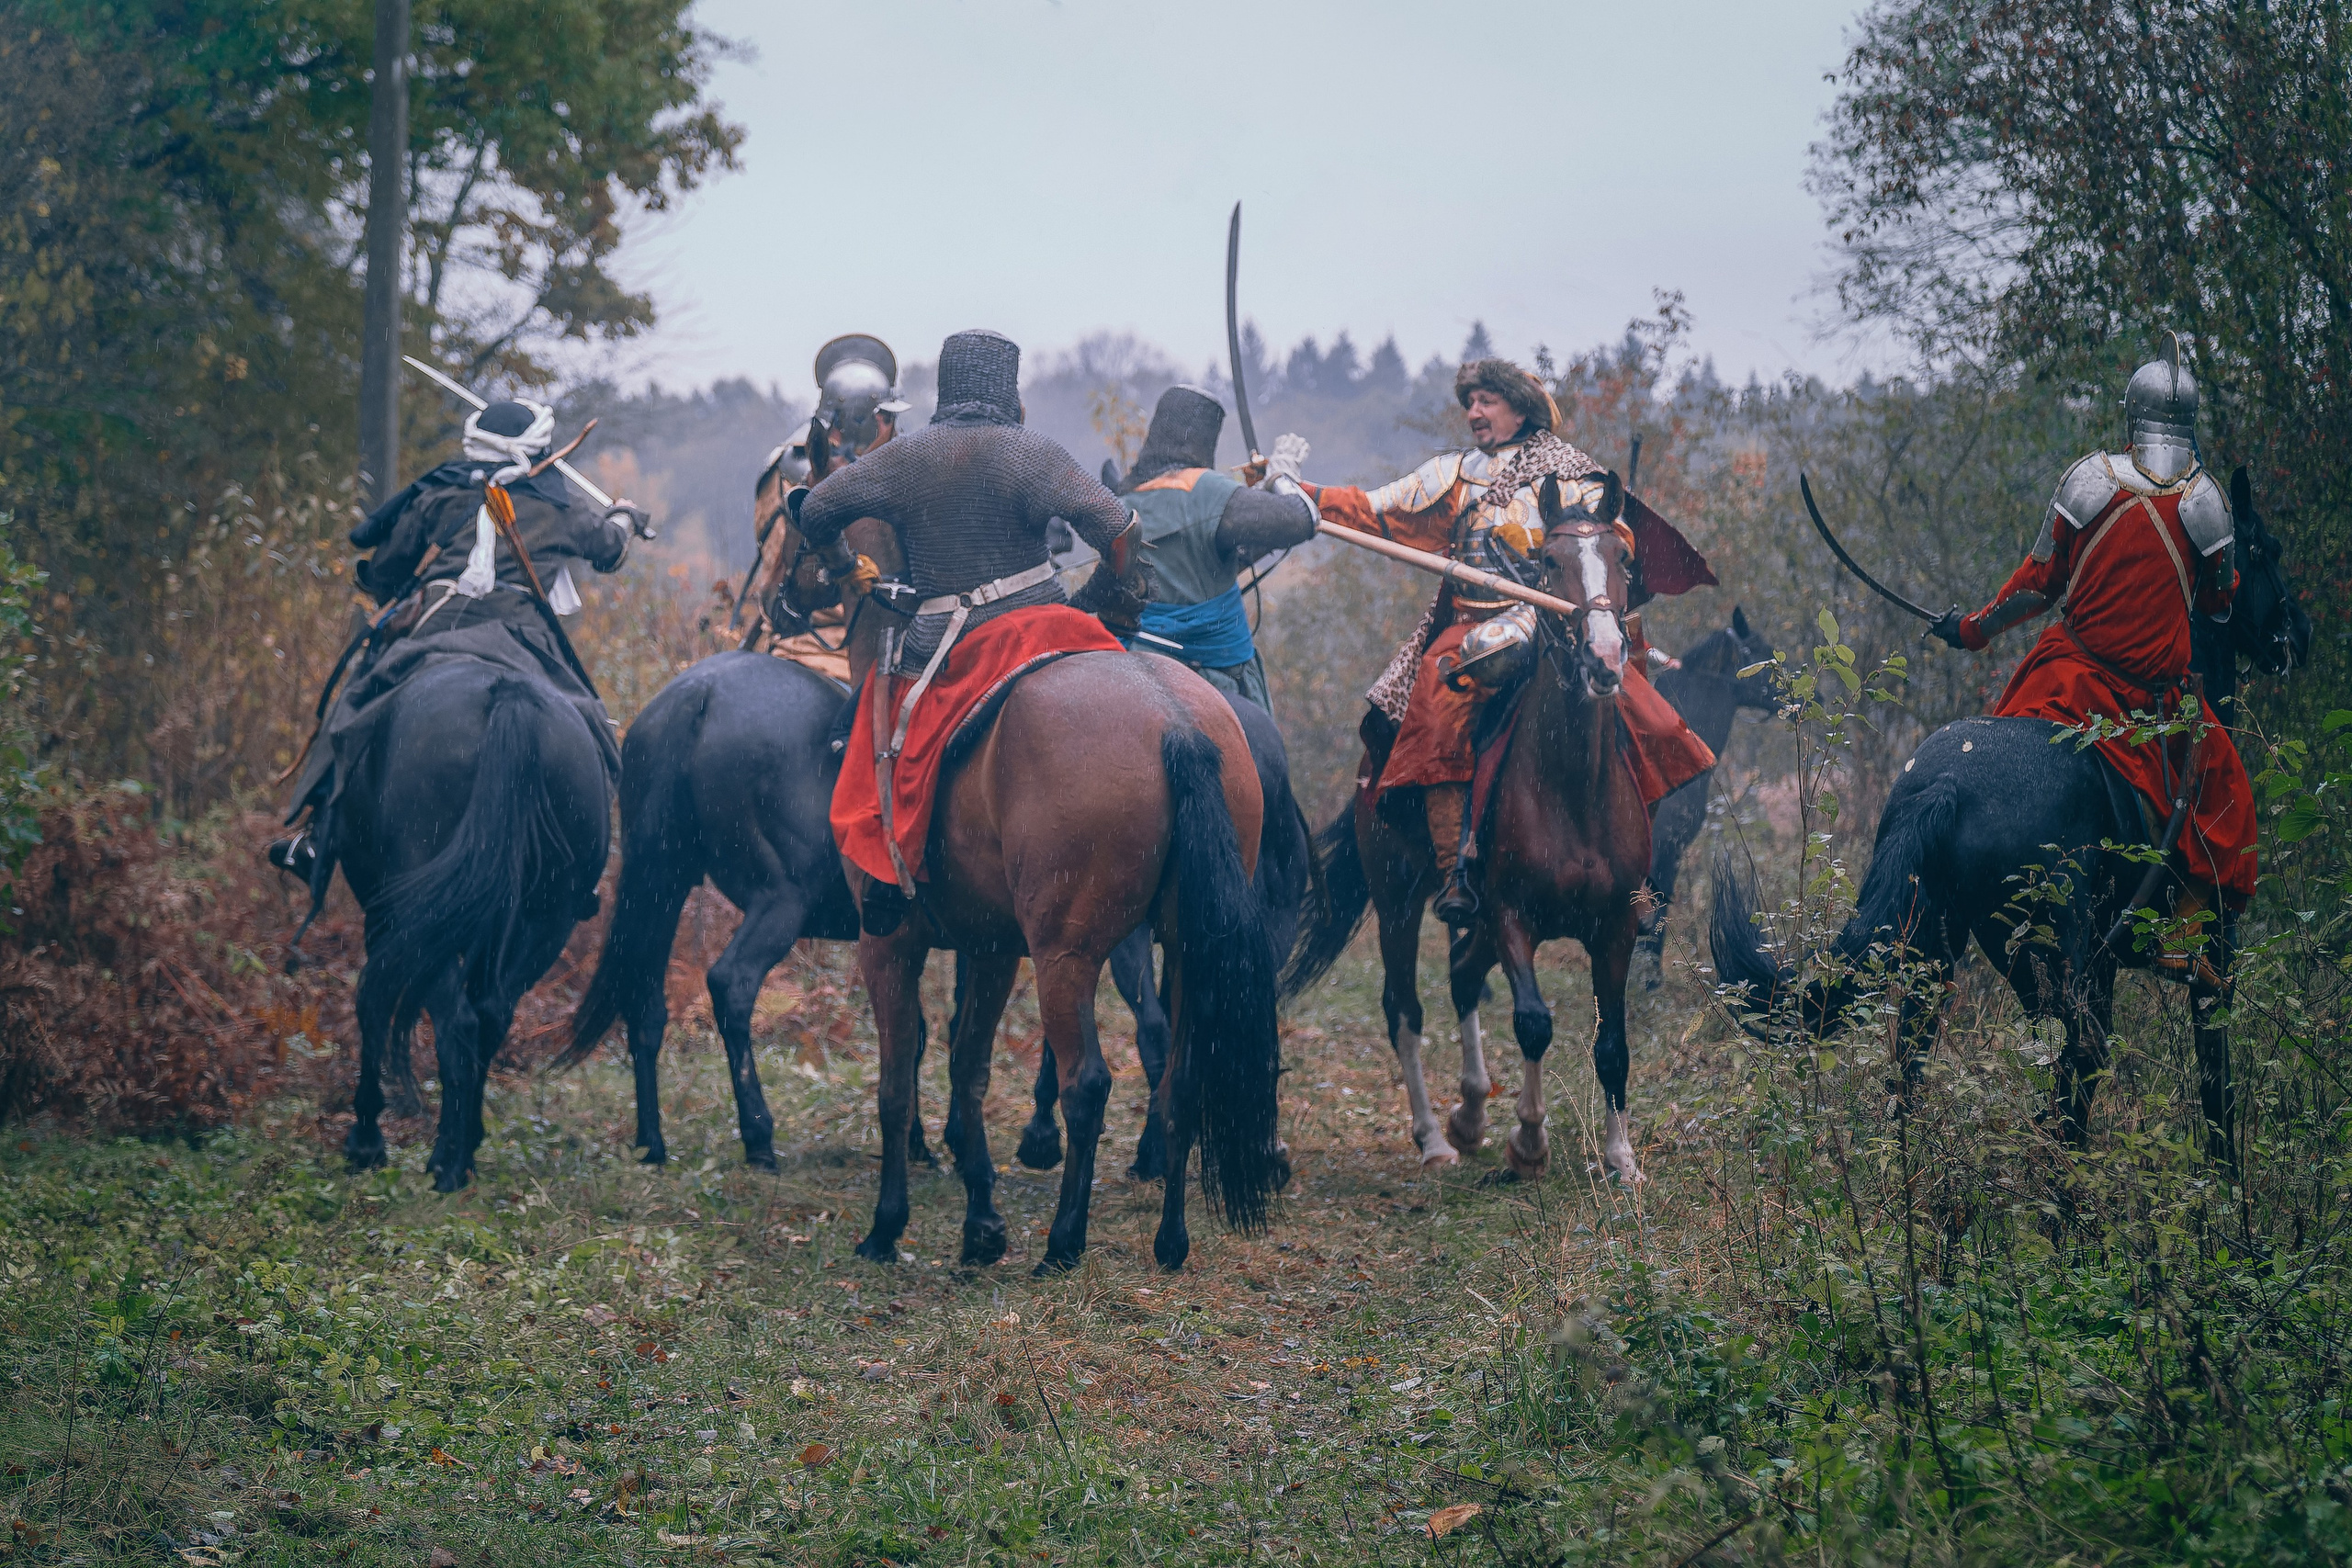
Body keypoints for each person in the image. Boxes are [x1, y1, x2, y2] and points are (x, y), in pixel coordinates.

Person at [1297, 358, 1715, 925]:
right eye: (1469, 402)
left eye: (1486, 400)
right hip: (1474, 628)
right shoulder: (1454, 474)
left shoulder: (1578, 474)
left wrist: (1615, 538)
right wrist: (1298, 493)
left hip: (1565, 630)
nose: (1474, 412)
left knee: (1657, 726)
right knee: (1434, 714)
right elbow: (1373, 509)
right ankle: (1455, 871)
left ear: (1521, 406)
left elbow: (1611, 550)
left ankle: (1632, 873)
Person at [795, 329, 1143, 934]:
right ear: (1011, 394)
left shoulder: (907, 456)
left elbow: (817, 509)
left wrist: (846, 568)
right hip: (1049, 628)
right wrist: (1104, 602)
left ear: (944, 391)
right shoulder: (1035, 451)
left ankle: (884, 877)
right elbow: (1120, 530)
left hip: (943, 641)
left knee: (874, 734)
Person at [1928, 352, 2254, 982]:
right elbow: (2219, 603)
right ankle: (2186, 939)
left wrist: (1973, 629)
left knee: (2006, 758)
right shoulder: (2206, 500)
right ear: (2190, 421)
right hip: (2156, 703)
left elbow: (2036, 585)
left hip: (2068, 679)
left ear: (2130, 416)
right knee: (2228, 797)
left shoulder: (2089, 479)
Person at [268, 399, 650, 875]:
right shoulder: (560, 505)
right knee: (593, 724)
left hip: (437, 626)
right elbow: (610, 551)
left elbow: (385, 569)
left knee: (358, 699)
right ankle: (586, 862)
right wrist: (626, 515)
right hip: (526, 638)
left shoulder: (440, 493)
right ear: (539, 448)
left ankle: (316, 835)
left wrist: (375, 580)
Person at [1109, 385, 1317, 706]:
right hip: (1214, 675)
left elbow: (1202, 558)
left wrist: (1255, 496)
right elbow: (1302, 518)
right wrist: (1282, 474)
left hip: (1126, 669)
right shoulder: (1207, 490)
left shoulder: (1123, 499)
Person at [739, 334, 914, 680]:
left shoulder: (898, 465)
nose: (891, 429)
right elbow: (776, 566)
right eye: (884, 419)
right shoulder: (795, 466)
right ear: (861, 420)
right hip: (813, 631)